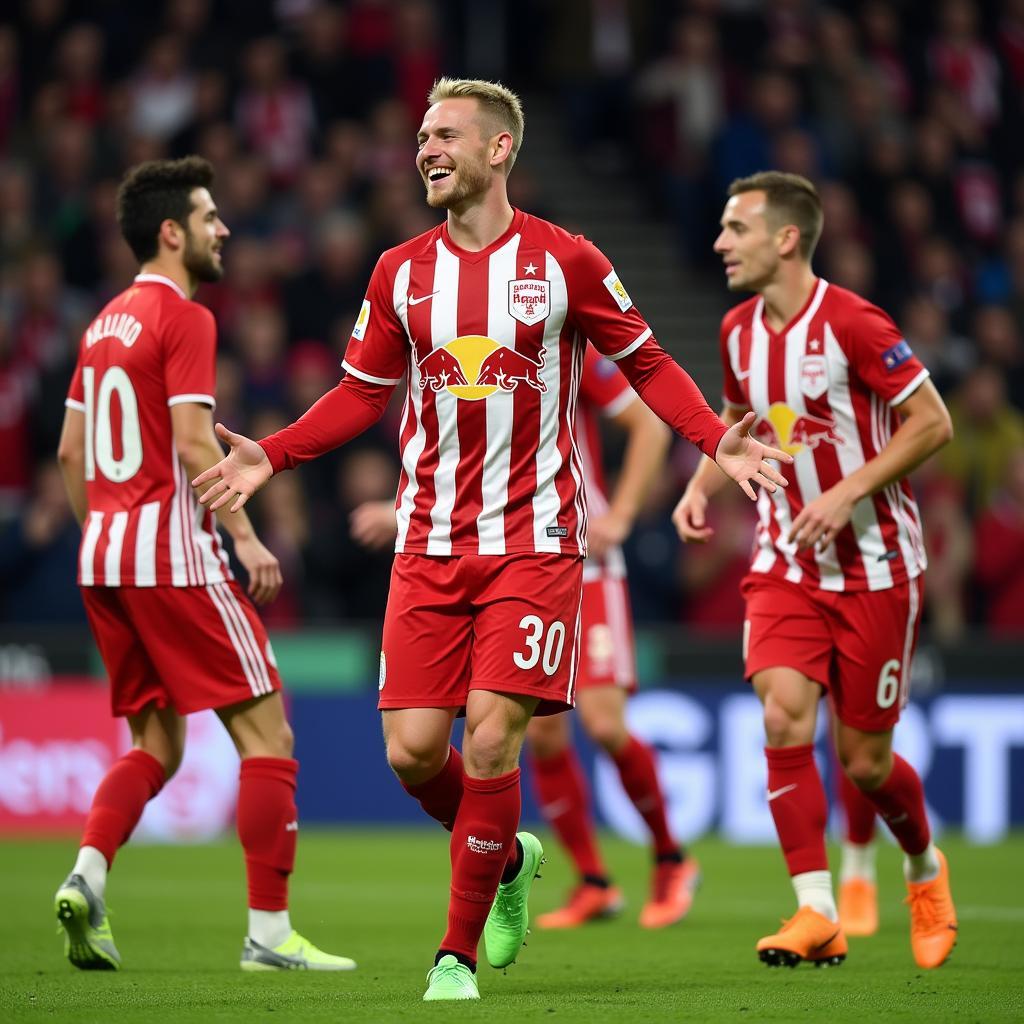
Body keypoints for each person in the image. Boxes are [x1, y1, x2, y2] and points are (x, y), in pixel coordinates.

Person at [193, 79, 790, 1002]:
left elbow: (648, 364)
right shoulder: (399, 270)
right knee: (411, 754)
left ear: (499, 149)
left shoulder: (568, 261)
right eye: (421, 137)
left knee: (493, 742)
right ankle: (508, 858)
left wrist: (717, 439)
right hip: (429, 540)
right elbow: (360, 393)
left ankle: (455, 955)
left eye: (445, 136)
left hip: (537, 541)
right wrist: (271, 457)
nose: (425, 150)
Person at [54, 156, 354, 974]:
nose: (225, 229)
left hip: (104, 560)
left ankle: (87, 876)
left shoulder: (102, 323)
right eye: (211, 216)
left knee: (157, 742)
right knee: (269, 736)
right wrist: (248, 536)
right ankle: (269, 933)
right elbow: (194, 444)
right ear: (171, 232)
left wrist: (105, 533)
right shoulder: (183, 317)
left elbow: (70, 451)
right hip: (171, 555)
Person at [673, 171, 957, 970]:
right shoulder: (736, 330)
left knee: (866, 762)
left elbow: (933, 423)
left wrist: (847, 491)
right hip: (785, 559)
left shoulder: (855, 323)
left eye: (737, 229)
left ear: (786, 238)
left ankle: (925, 869)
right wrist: (700, 485)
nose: (721, 242)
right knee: (781, 716)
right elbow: (739, 420)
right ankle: (816, 909)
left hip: (875, 564)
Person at [350, 345, 698, 930]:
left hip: (578, 553)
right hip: (507, 552)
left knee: (605, 722)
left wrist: (622, 514)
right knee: (543, 733)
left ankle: (671, 859)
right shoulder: (460, 349)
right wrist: (401, 509)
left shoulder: (563, 345)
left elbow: (648, 423)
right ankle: (594, 880)